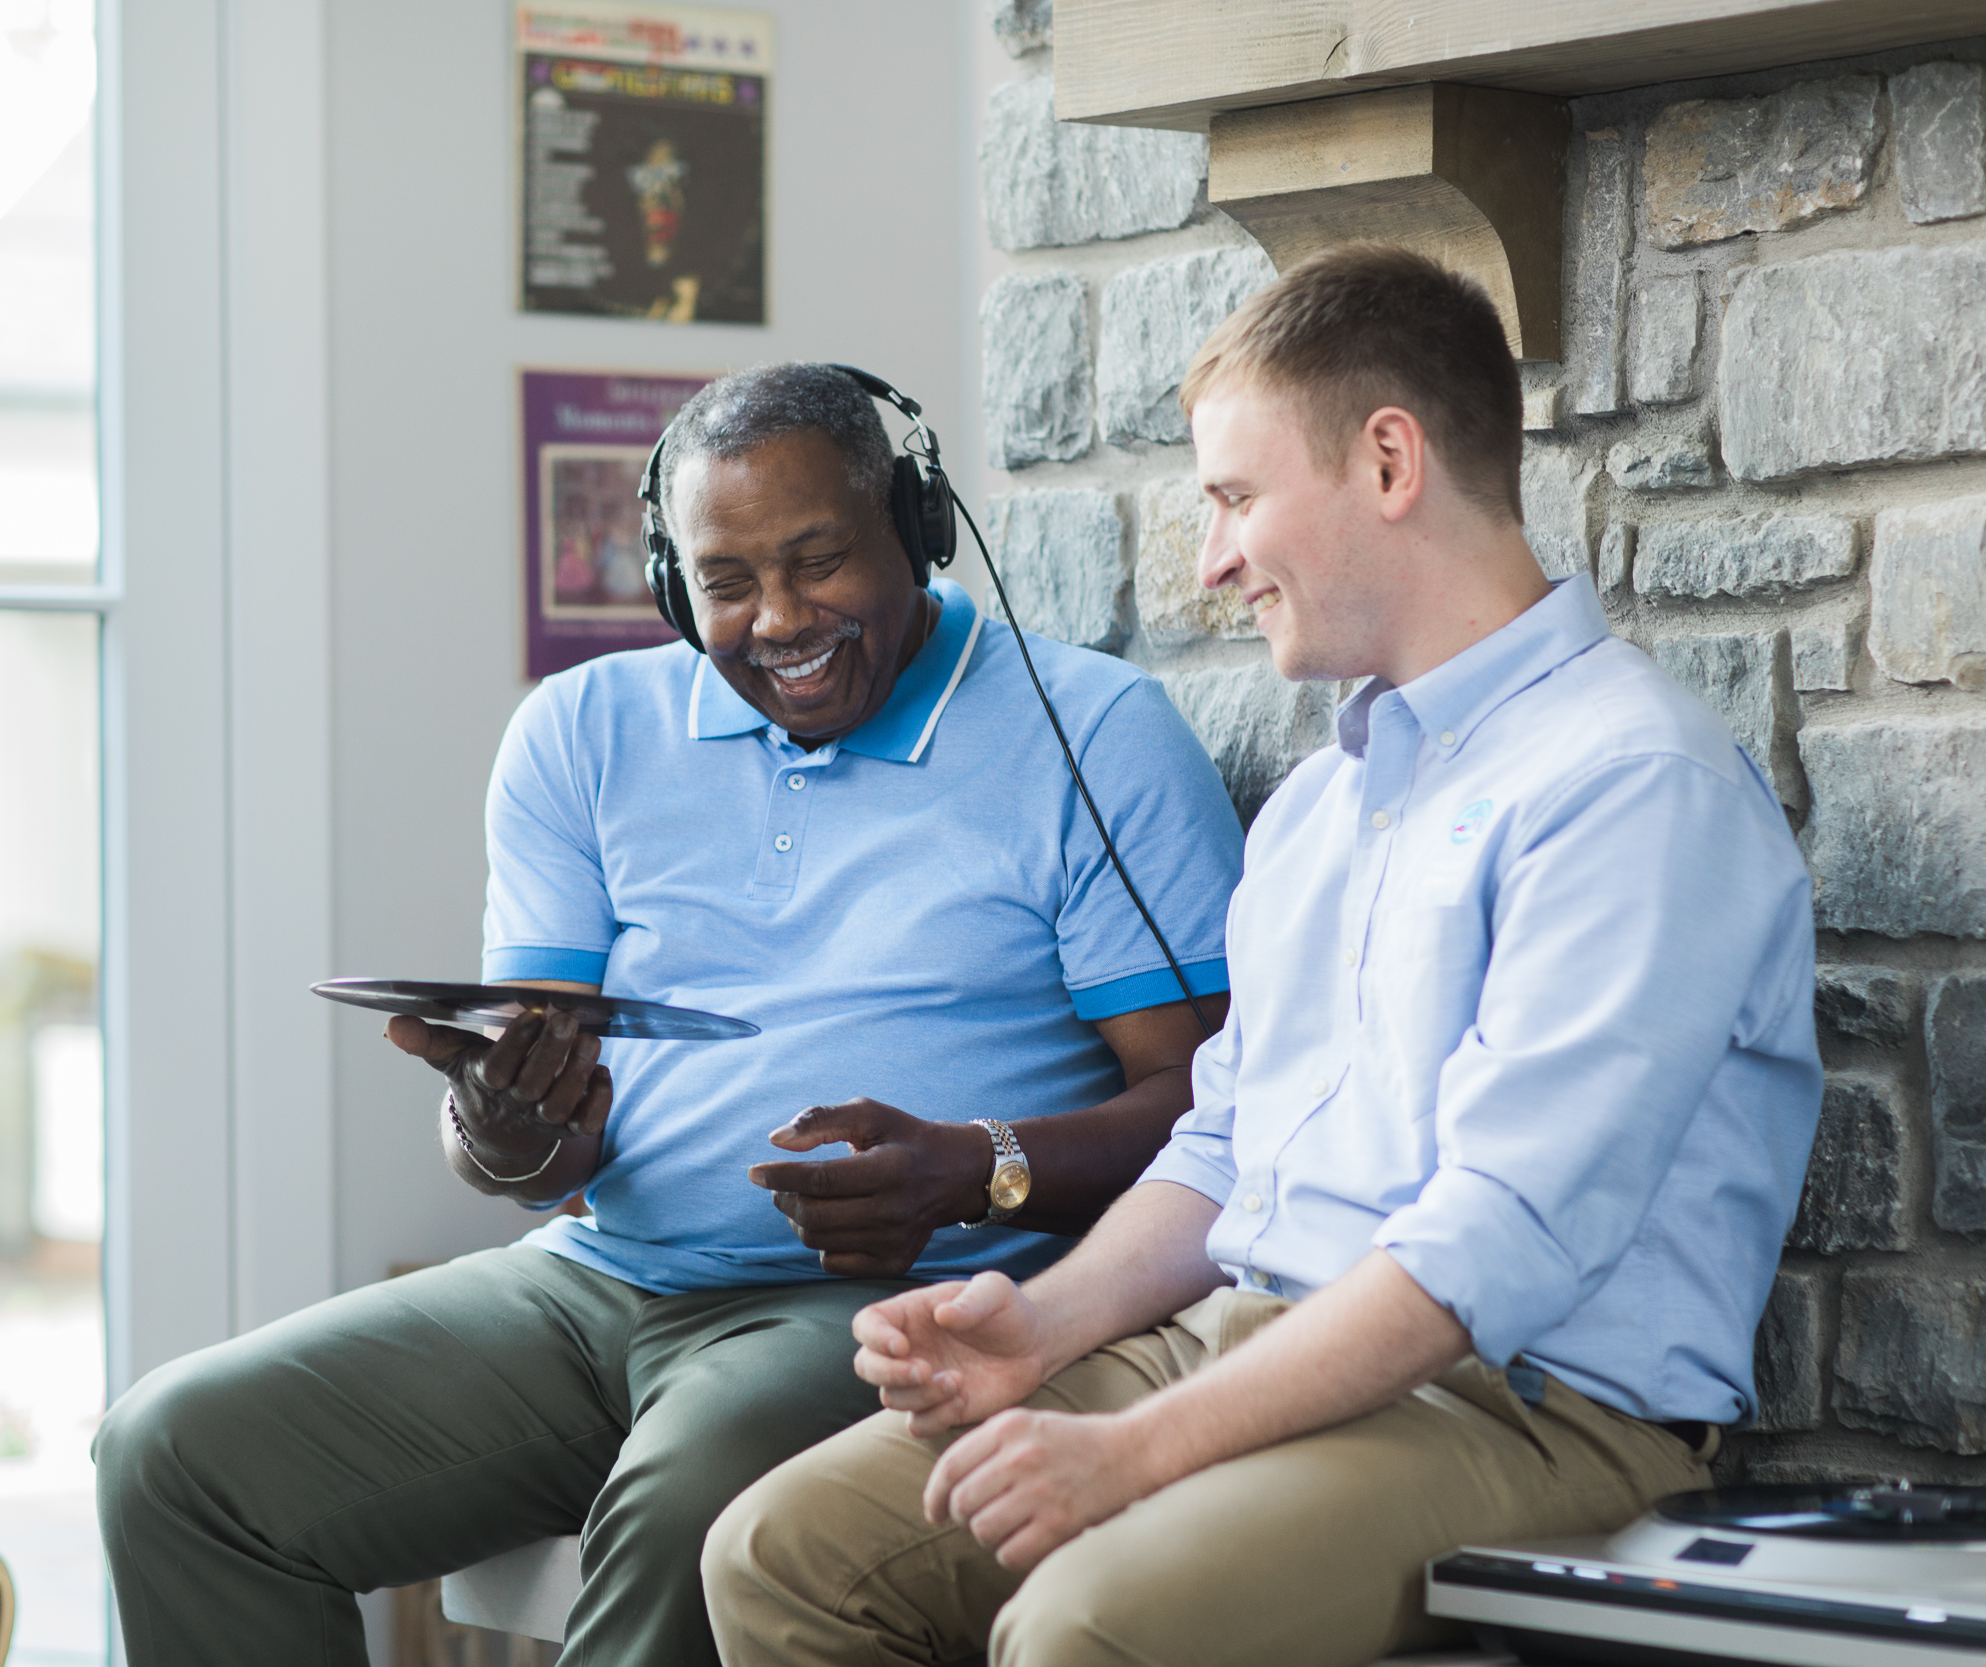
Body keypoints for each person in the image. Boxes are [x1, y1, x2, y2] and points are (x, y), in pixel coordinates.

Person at [702, 248, 1825, 1667]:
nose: (1211, 561)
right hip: (1233, 1338)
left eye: (1235, 499)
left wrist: (1135, 1454)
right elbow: (1224, 1148)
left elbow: (1499, 1241)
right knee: (783, 1556)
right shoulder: (1320, 806)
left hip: (1525, 1414)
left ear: (1390, 462)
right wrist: (1034, 1330)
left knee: (1085, 1627)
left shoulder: (1633, 784)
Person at [91, 362, 1248, 1666]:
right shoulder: (580, 735)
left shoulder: (1091, 734)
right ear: (670, 581)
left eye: (820, 561)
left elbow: (1219, 1110)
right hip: (597, 1284)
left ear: (915, 534)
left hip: (892, 1305)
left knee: (693, 1504)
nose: (780, 618)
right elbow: (538, 1156)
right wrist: (506, 1128)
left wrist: (972, 1170)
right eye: (729, 582)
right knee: (177, 1456)